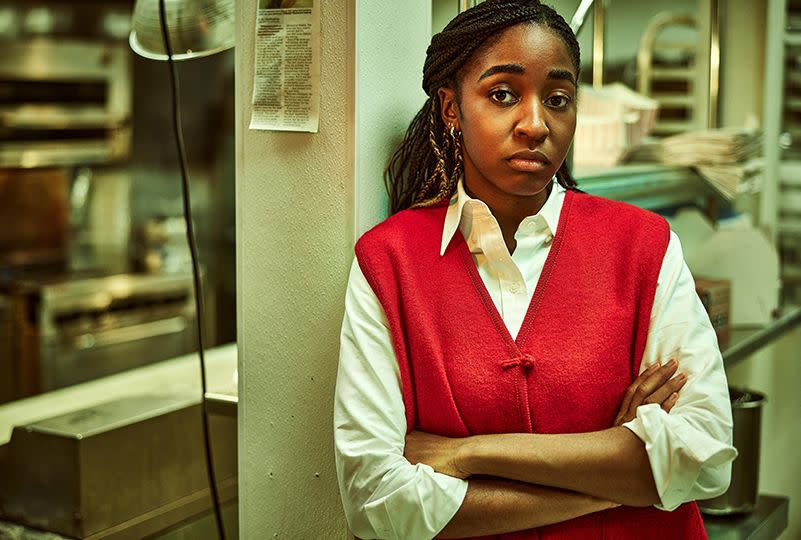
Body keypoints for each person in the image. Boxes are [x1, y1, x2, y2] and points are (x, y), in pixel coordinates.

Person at [334, 1, 736, 538]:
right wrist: (621, 474)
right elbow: (376, 500)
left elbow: (706, 458)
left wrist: (467, 454)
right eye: (502, 95)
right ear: (451, 107)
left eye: (558, 99)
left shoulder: (644, 244)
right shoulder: (389, 261)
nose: (535, 123)